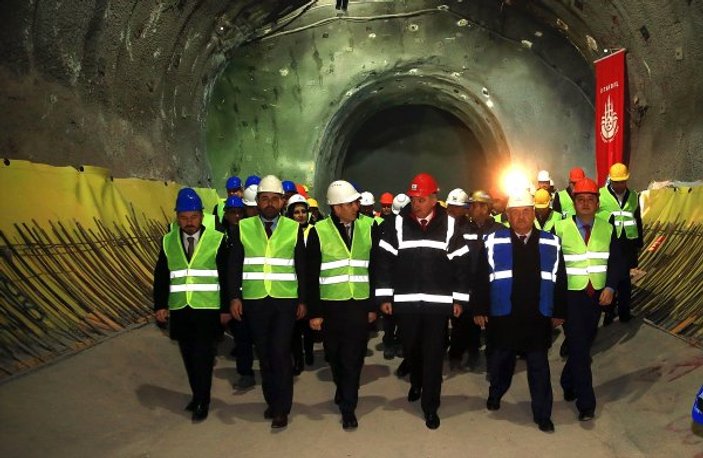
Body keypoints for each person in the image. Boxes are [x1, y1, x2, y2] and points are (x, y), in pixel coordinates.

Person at [376, 173, 472, 430]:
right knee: (412, 350)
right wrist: (385, 296)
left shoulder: (450, 225)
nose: (416, 204)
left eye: (421, 199)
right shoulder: (396, 224)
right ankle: (416, 383)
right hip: (406, 304)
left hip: (437, 305)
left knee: (433, 354)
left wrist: (459, 300)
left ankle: (431, 406)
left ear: (433, 199)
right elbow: (384, 262)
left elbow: (462, 265)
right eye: (413, 199)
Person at [473, 190, 567, 433]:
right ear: (508, 216)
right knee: (501, 361)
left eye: (526, 212)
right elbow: (481, 276)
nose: (522, 217)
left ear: (534, 213)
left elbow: (560, 279)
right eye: (516, 213)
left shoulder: (551, 242)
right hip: (504, 314)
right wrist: (480, 308)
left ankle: (543, 414)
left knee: (538, 366)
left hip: (537, 315)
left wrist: (559, 310)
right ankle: (496, 393)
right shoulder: (494, 241)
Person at [228, 175, 307, 429]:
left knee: (280, 353)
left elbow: (303, 268)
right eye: (265, 199)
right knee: (263, 354)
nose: (270, 203)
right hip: (255, 300)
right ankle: (271, 402)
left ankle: (282, 408)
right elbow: (234, 267)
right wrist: (234, 297)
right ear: (257, 202)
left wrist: (303, 300)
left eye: (275, 199)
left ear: (282, 201)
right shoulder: (243, 228)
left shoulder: (294, 229)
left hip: (285, 300)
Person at [306, 180, 379, 429]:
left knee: (354, 357)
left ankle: (349, 406)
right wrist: (314, 312)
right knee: (335, 355)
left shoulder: (369, 227)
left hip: (358, 304)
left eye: (356, 203)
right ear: (336, 208)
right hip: (331, 306)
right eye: (351, 204)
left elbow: (376, 269)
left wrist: (373, 306)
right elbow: (310, 275)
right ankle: (342, 386)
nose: (356, 207)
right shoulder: (318, 231)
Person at [153, 188, 229, 422]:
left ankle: (202, 401)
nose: (189, 222)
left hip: (207, 310)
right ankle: (197, 394)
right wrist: (160, 305)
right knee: (188, 356)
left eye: (193, 217)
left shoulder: (217, 240)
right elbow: (162, 276)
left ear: (201, 215)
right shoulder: (168, 241)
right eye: (184, 218)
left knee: (203, 357)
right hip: (180, 310)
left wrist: (225, 309)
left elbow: (226, 277)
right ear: (177, 217)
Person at [554, 177, 625, 422]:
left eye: (590, 199)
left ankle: (567, 380)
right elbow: (554, 268)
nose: (585, 203)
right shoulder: (560, 228)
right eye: (580, 199)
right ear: (574, 203)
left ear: (597, 203)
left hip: (597, 297)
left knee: (582, 345)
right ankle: (587, 404)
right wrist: (554, 303)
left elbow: (617, 261)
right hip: (570, 297)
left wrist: (611, 287)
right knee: (581, 350)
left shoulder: (607, 227)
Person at [448, 190, 504, 372]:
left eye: (478, 205)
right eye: (472, 205)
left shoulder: (500, 231)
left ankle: (491, 358)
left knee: (492, 325)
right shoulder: (462, 231)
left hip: (491, 287)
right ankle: (464, 354)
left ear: (487, 208)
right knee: (463, 323)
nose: (474, 209)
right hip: (466, 285)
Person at [596, 162, 643, 325]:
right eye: (616, 182)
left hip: (627, 245)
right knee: (610, 279)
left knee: (625, 281)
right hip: (608, 243)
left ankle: (624, 312)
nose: (619, 185)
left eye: (622, 181)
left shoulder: (634, 196)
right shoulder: (600, 195)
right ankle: (608, 312)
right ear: (611, 180)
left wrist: (639, 243)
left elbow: (637, 219)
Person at [218, 195, 256, 390]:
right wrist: (231, 298)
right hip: (239, 293)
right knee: (242, 336)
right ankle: (246, 372)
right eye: (234, 212)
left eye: (241, 211)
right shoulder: (220, 235)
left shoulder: (255, 232)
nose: (238, 216)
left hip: (257, 292)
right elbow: (228, 270)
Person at [285, 194, 316, 373]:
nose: (301, 215)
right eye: (296, 212)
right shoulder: (285, 231)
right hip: (292, 282)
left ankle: (309, 352)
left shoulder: (314, 230)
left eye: (303, 211)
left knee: (308, 322)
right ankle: (298, 358)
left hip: (309, 282)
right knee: (295, 326)